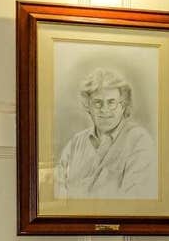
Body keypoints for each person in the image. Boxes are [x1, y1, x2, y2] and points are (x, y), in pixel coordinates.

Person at [56, 68, 157, 200]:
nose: (104, 110)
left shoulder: (139, 141)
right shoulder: (76, 143)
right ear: (88, 106)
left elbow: (134, 202)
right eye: (97, 102)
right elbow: (58, 193)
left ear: (123, 105)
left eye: (111, 102)